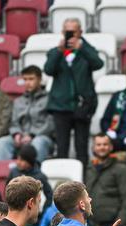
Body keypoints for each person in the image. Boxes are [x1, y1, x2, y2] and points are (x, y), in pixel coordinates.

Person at [45, 18, 104, 165]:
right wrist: (59, 52)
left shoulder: (87, 50)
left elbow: (98, 64)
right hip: (61, 106)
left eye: (73, 31)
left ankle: (82, 184)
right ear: (62, 32)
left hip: (82, 105)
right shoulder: (55, 51)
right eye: (67, 31)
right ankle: (62, 186)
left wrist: (82, 47)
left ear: (80, 32)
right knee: (62, 148)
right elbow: (48, 70)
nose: (70, 34)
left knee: (81, 148)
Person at [0, 65, 54, 162]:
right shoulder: (18, 101)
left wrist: (32, 135)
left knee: (38, 142)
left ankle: (35, 174)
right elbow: (13, 122)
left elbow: (50, 124)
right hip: (21, 136)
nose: (28, 83)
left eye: (31, 79)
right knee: (1, 143)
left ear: (39, 80)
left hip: (41, 136)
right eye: (25, 79)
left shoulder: (49, 99)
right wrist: (16, 134)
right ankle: (6, 175)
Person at [85, 133, 126, 226]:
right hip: (89, 224)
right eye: (98, 145)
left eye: (105, 144)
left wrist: (118, 225)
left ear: (111, 147)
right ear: (93, 148)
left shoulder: (122, 169)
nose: (102, 147)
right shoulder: (88, 169)